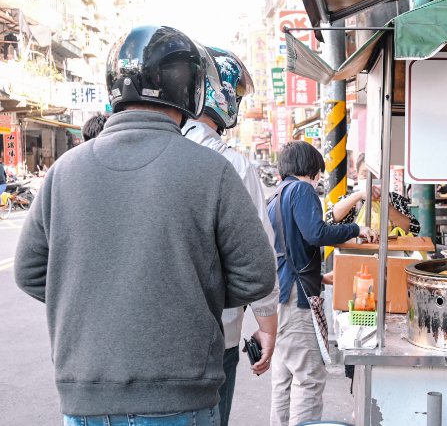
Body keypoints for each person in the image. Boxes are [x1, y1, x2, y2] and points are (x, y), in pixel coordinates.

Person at [14, 25, 277, 425]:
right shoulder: (214, 171)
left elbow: (31, 272)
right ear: (190, 90)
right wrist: (191, 294)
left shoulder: (62, 172)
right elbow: (257, 275)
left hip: (84, 401)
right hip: (182, 397)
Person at [182, 46, 279, 426]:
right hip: (215, 335)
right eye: (235, 94)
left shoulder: (128, 156)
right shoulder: (233, 164)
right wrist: (267, 323)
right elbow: (259, 256)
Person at [268, 141, 376, 426]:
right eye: (318, 174)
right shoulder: (301, 190)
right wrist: (356, 229)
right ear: (312, 169)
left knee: (284, 377)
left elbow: (289, 247)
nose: (317, 181)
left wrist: (319, 276)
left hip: (280, 292)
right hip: (296, 296)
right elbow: (316, 233)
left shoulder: (276, 195)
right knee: (309, 378)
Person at [325, 153, 420, 235]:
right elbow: (331, 219)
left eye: (375, 175)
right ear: (357, 175)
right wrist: (359, 195)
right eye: (364, 174)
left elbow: (414, 228)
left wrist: (384, 204)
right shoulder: (352, 200)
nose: (370, 179)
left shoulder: (395, 199)